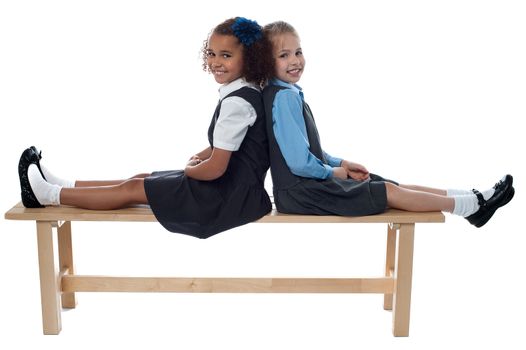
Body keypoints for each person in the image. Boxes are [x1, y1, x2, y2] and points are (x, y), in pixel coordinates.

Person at [18, 17, 274, 239]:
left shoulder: (238, 102)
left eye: (226, 55)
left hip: (227, 198)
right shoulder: (244, 92)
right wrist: (202, 155)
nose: (215, 61)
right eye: (211, 53)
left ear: (249, 59)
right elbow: (230, 146)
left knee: (132, 189)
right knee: (141, 178)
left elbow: (216, 168)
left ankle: (47, 195)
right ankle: (66, 185)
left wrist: (189, 170)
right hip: (233, 189)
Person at [262, 21, 514, 228]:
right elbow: (298, 162)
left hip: (305, 189)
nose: (295, 60)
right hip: (301, 193)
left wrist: (341, 163)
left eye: (298, 52)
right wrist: (334, 173)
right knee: (388, 192)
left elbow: (308, 151)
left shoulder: (288, 93)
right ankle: (474, 206)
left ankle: (472, 198)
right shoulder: (284, 98)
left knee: (391, 186)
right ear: (266, 63)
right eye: (284, 55)